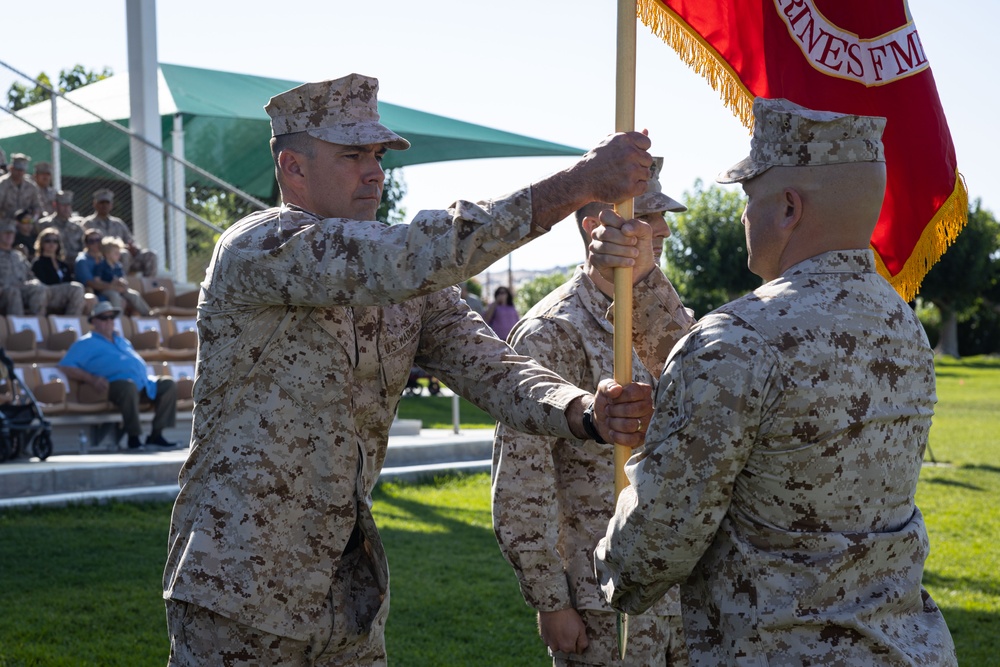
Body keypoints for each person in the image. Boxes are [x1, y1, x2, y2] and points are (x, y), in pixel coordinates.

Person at [162, 72, 656, 666]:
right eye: (352, 155)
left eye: (377, 154)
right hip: (237, 591)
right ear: (293, 167)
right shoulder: (259, 247)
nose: (374, 171)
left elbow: (493, 368)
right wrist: (576, 185)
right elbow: (415, 253)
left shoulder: (406, 286)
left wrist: (583, 411)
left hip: (347, 596)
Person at [593, 98, 958, 665]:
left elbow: (654, 548)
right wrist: (644, 285)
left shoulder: (737, 338)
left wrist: (610, 568)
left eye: (748, 197)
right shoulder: (903, 326)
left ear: (788, 207)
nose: (744, 216)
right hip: (907, 649)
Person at [493, 161, 695, 666]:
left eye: (663, 215)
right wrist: (551, 600)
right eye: (646, 215)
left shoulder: (669, 316)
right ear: (594, 228)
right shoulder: (550, 332)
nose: (663, 229)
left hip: (679, 591)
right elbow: (521, 479)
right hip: (599, 596)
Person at [58, 301, 178, 450]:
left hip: (142, 384)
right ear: (94, 321)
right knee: (128, 387)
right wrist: (91, 379)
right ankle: (133, 438)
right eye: (104, 318)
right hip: (112, 386)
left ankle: (156, 435)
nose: (109, 321)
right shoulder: (85, 342)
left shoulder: (122, 340)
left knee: (168, 384)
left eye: (112, 317)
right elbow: (65, 365)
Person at [80, 188, 158, 277]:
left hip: (127, 257)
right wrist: (120, 249)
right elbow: (89, 244)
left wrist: (134, 248)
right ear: (95, 204)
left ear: (111, 205)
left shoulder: (118, 223)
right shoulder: (88, 223)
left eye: (107, 203)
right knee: (123, 253)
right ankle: (121, 284)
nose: (104, 205)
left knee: (151, 255)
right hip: (103, 259)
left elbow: (130, 240)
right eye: (101, 203)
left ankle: (149, 285)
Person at [31, 227, 86, 315]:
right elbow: (42, 283)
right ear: (41, 243)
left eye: (55, 241)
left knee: (89, 298)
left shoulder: (62, 264)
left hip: (64, 295)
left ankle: (72, 324)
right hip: (47, 294)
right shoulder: (38, 262)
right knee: (77, 288)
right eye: (48, 240)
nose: (52, 243)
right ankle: (72, 321)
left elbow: (69, 281)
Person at [0, 219, 47, 315]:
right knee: (13, 292)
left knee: (39, 288)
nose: (9, 236)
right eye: (6, 233)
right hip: (4, 292)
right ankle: (18, 326)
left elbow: (30, 275)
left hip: (21, 288)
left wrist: (34, 282)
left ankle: (36, 323)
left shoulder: (17, 255)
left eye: (12, 233)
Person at [97, 236, 151, 315]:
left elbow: (123, 278)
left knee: (134, 295)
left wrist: (122, 284)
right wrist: (110, 285)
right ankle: (118, 319)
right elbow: (97, 281)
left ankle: (148, 314)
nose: (119, 255)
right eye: (116, 253)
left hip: (119, 289)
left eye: (119, 253)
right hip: (106, 290)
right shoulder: (101, 266)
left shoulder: (118, 266)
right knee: (115, 296)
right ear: (107, 254)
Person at [38, 190, 86, 262]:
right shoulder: (44, 224)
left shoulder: (77, 227)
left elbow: (84, 248)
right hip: (52, 262)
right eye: (63, 205)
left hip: (75, 262)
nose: (66, 208)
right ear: (55, 205)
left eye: (68, 205)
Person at [0, 153, 43, 223]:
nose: (20, 173)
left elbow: (37, 206)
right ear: (11, 168)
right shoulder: (2, 184)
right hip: (5, 223)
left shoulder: (31, 186)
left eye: (22, 170)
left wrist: (33, 219)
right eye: (17, 170)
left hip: (26, 223)